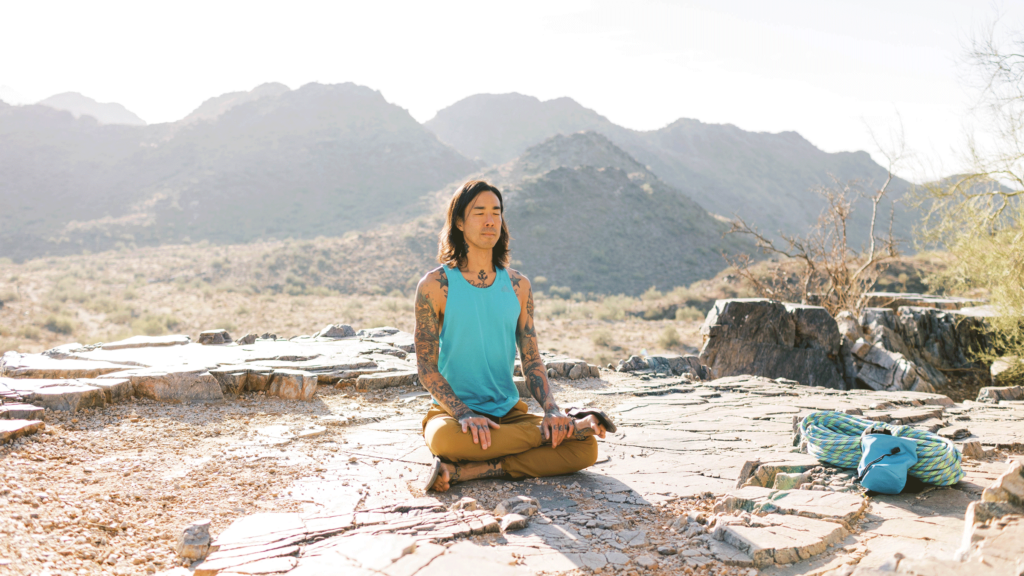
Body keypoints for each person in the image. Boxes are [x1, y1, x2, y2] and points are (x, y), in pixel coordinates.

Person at [414, 180, 616, 492]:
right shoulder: (434, 286)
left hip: (507, 415)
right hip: (452, 415)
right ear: (459, 222)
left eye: (496, 212)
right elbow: (427, 368)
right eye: (479, 212)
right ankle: (570, 429)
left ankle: (467, 472)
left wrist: (551, 411)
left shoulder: (519, 286)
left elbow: (531, 359)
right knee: (445, 441)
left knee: (585, 450)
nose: (490, 220)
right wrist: (464, 413)